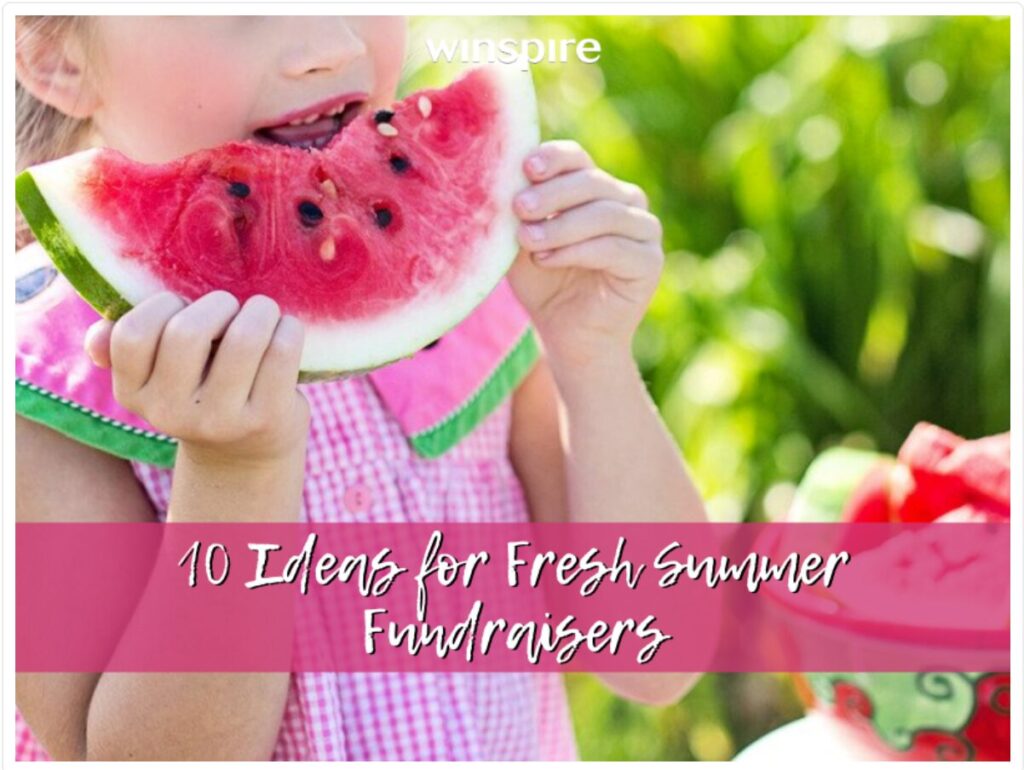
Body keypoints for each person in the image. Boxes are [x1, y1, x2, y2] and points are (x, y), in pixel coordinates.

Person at [14, 16, 707, 761]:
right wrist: (234, 476)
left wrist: (593, 357)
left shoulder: (473, 299)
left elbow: (656, 656)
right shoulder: (44, 386)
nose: (333, 45)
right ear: (55, 59)